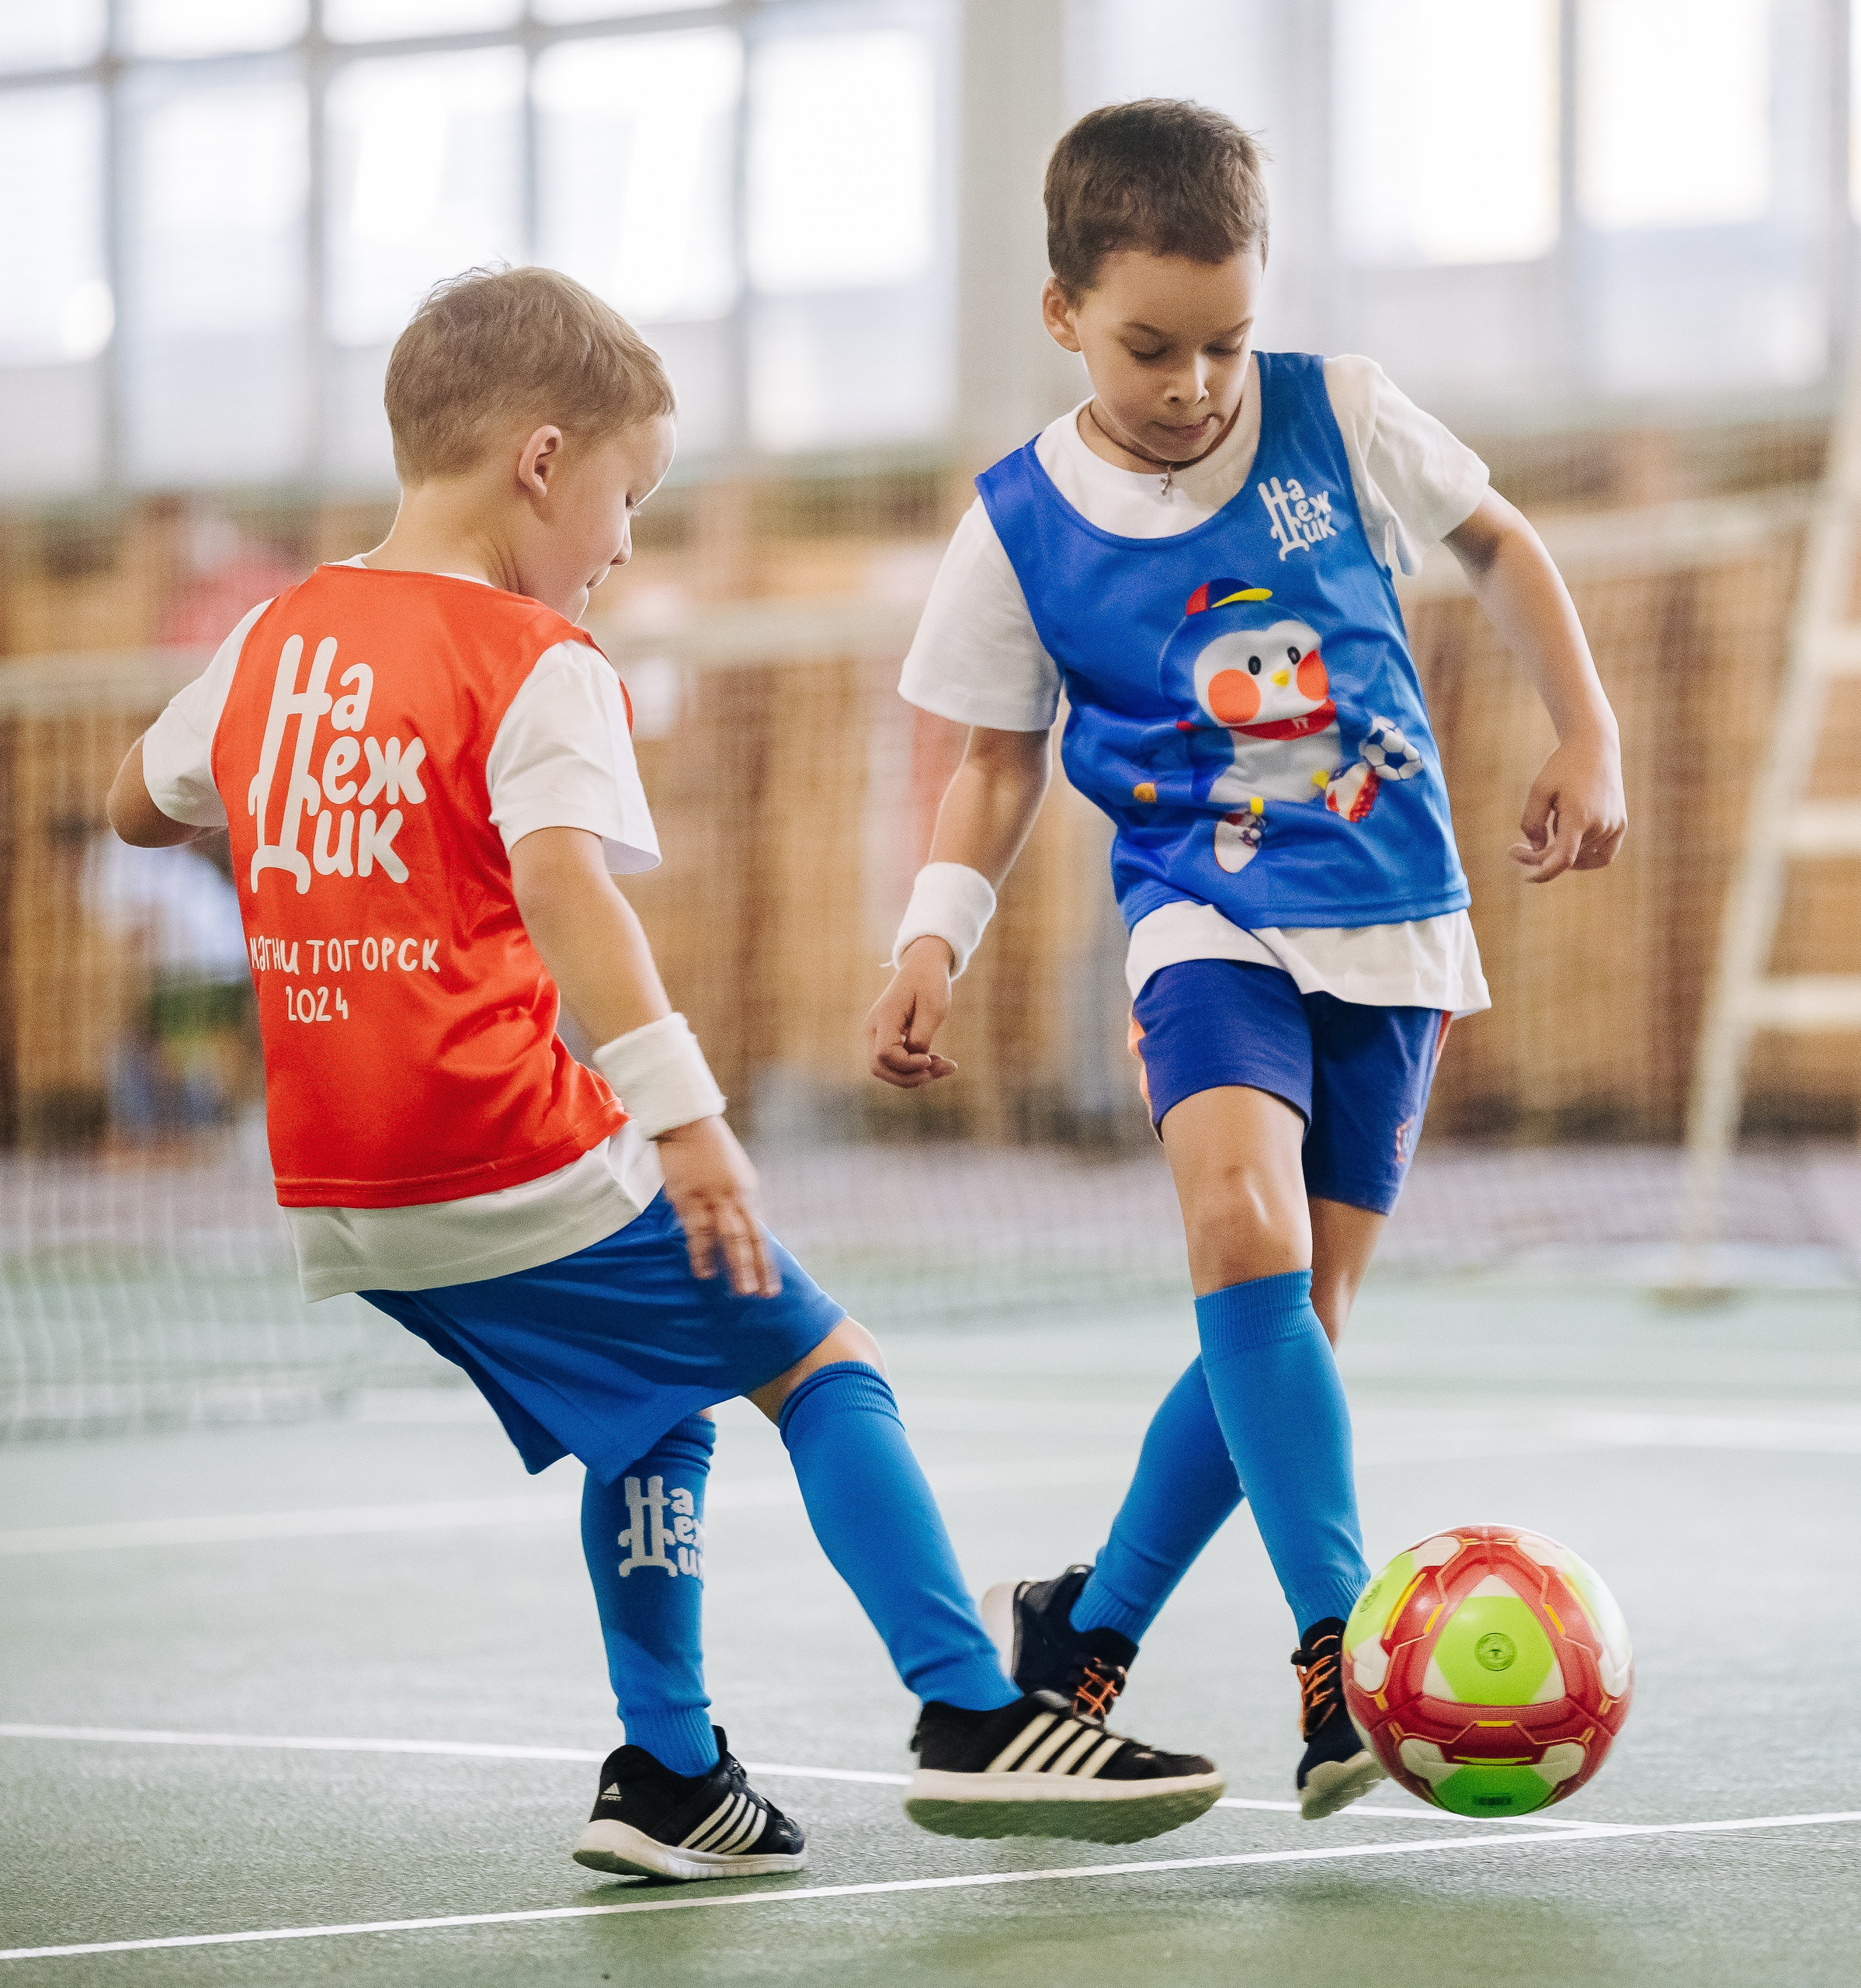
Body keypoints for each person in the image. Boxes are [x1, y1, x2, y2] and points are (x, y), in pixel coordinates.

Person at [106, 265, 1223, 1882]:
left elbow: (146, 806)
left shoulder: (282, 633)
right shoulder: (532, 658)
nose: (625, 543)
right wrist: (691, 1129)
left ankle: (671, 1768)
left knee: (657, 1420)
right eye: (627, 496)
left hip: (342, 1182)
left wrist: (298, 783)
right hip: (500, 1144)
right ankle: (975, 1711)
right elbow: (570, 890)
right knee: (820, 1361)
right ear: (543, 463)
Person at [866, 102, 1626, 1820]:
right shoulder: (1013, 527)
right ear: (1061, 312)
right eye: (1148, 345)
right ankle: (1332, 1650)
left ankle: (1083, 1630)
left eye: (1222, 338)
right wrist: (934, 935)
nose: (1194, 380)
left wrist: (1588, 732)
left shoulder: (1334, 413)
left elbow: (1500, 540)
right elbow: (991, 758)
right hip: (1199, 919)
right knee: (1238, 1225)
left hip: (1396, 919)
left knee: (1291, 1317)